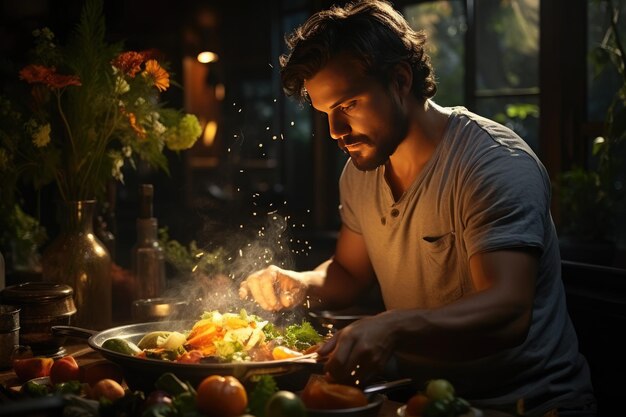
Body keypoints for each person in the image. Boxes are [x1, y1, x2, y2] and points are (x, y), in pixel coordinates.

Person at [238, 1, 596, 415]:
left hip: (527, 404)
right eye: (325, 114)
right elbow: (350, 273)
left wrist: (392, 326)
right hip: (420, 401)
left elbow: (507, 310)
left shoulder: (493, 164)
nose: (335, 131)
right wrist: (298, 282)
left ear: (400, 79)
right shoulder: (361, 169)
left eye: (348, 105)